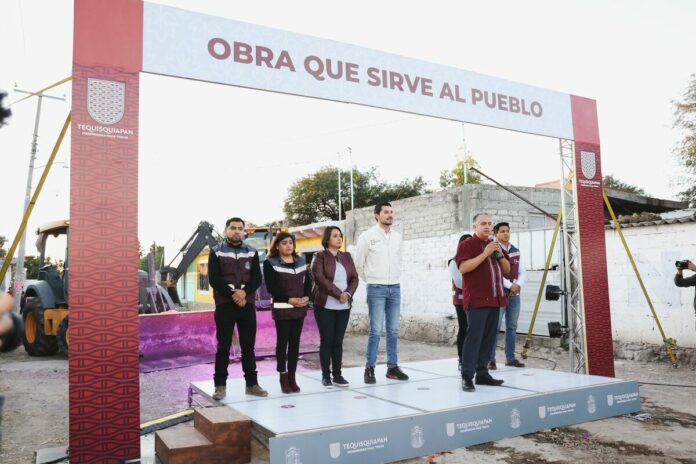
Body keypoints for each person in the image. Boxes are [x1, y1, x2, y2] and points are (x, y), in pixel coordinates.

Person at [208, 217, 268, 400]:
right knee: (223, 347)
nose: (236, 231)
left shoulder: (251, 251)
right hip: (225, 304)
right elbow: (214, 278)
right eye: (232, 228)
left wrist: (244, 293)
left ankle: (252, 384)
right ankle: (220, 386)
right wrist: (234, 294)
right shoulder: (216, 251)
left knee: (248, 346)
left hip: (246, 305)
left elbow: (257, 278)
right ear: (226, 230)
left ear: (244, 231)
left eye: (239, 228)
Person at [355, 201, 409, 384]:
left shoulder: (398, 237)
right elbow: (358, 264)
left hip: (395, 287)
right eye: (386, 212)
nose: (390, 215)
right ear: (376, 215)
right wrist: (371, 279)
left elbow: (399, 260)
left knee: (393, 330)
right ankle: (369, 368)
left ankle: (392, 368)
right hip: (376, 288)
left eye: (391, 212)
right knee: (376, 330)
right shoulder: (366, 236)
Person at [456, 213, 510, 392]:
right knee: (474, 339)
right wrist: (485, 254)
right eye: (483, 224)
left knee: (488, 339)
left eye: (489, 224)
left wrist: (500, 255)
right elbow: (463, 268)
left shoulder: (494, 245)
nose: (487, 227)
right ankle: (467, 376)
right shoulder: (467, 245)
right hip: (477, 300)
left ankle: (482, 373)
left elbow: (508, 269)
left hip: (495, 299)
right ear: (475, 227)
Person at [263, 232, 313, 394]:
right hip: (282, 309)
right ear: (277, 246)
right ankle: (283, 376)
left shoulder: (300, 261)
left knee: (295, 343)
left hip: (299, 308)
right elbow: (272, 288)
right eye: (284, 243)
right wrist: (288, 299)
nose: (288, 245)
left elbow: (308, 281)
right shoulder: (270, 263)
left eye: (290, 242)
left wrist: (307, 296)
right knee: (282, 343)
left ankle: (292, 376)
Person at [311, 226, 359, 387]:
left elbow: (354, 279)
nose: (339, 238)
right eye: (335, 236)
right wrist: (339, 294)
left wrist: (347, 295)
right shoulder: (319, 256)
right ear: (327, 239)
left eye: (340, 236)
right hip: (325, 305)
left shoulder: (347, 256)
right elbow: (319, 278)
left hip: (344, 306)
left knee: (338, 341)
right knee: (327, 341)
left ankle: (338, 374)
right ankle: (326, 376)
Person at [489, 222, 526, 369]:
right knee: (494, 327)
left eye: (508, 231)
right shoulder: (493, 249)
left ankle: (510, 358)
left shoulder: (515, 250)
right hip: (499, 292)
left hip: (514, 293)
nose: (506, 233)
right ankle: (490, 359)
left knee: (512, 326)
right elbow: (495, 273)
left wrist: (518, 285)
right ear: (496, 234)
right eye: (502, 231)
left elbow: (523, 270)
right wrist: (511, 286)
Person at [448, 234, 471, 369]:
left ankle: (471, 358)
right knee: (464, 328)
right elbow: (459, 282)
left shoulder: (474, 259)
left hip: (474, 299)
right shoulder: (454, 261)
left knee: (473, 329)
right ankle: (462, 359)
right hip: (461, 300)